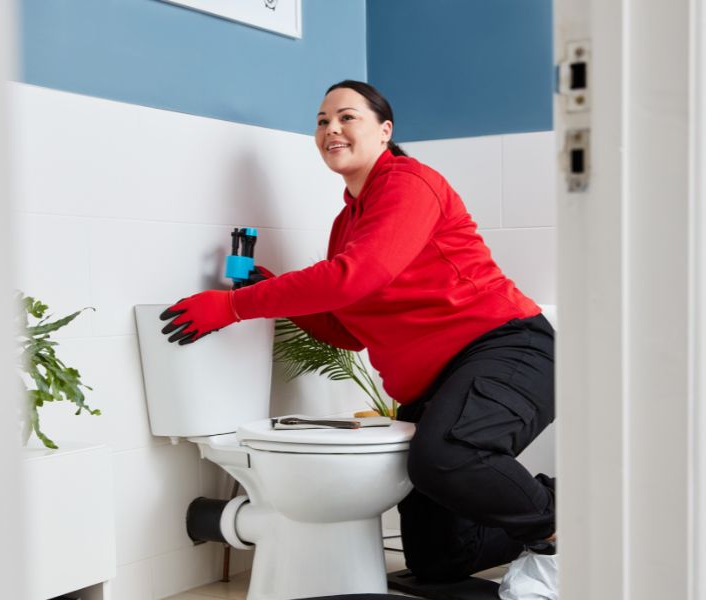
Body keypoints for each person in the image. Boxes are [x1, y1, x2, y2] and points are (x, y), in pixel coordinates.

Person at [160, 80, 557, 595]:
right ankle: (564, 506)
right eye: (323, 121)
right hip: (435, 386)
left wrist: (234, 306)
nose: (332, 129)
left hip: (506, 350)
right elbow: (347, 330)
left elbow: (358, 275)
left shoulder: (409, 183)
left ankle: (553, 533)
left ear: (384, 130)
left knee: (447, 456)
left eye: (347, 117)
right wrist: (269, 292)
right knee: (441, 559)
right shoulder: (346, 223)